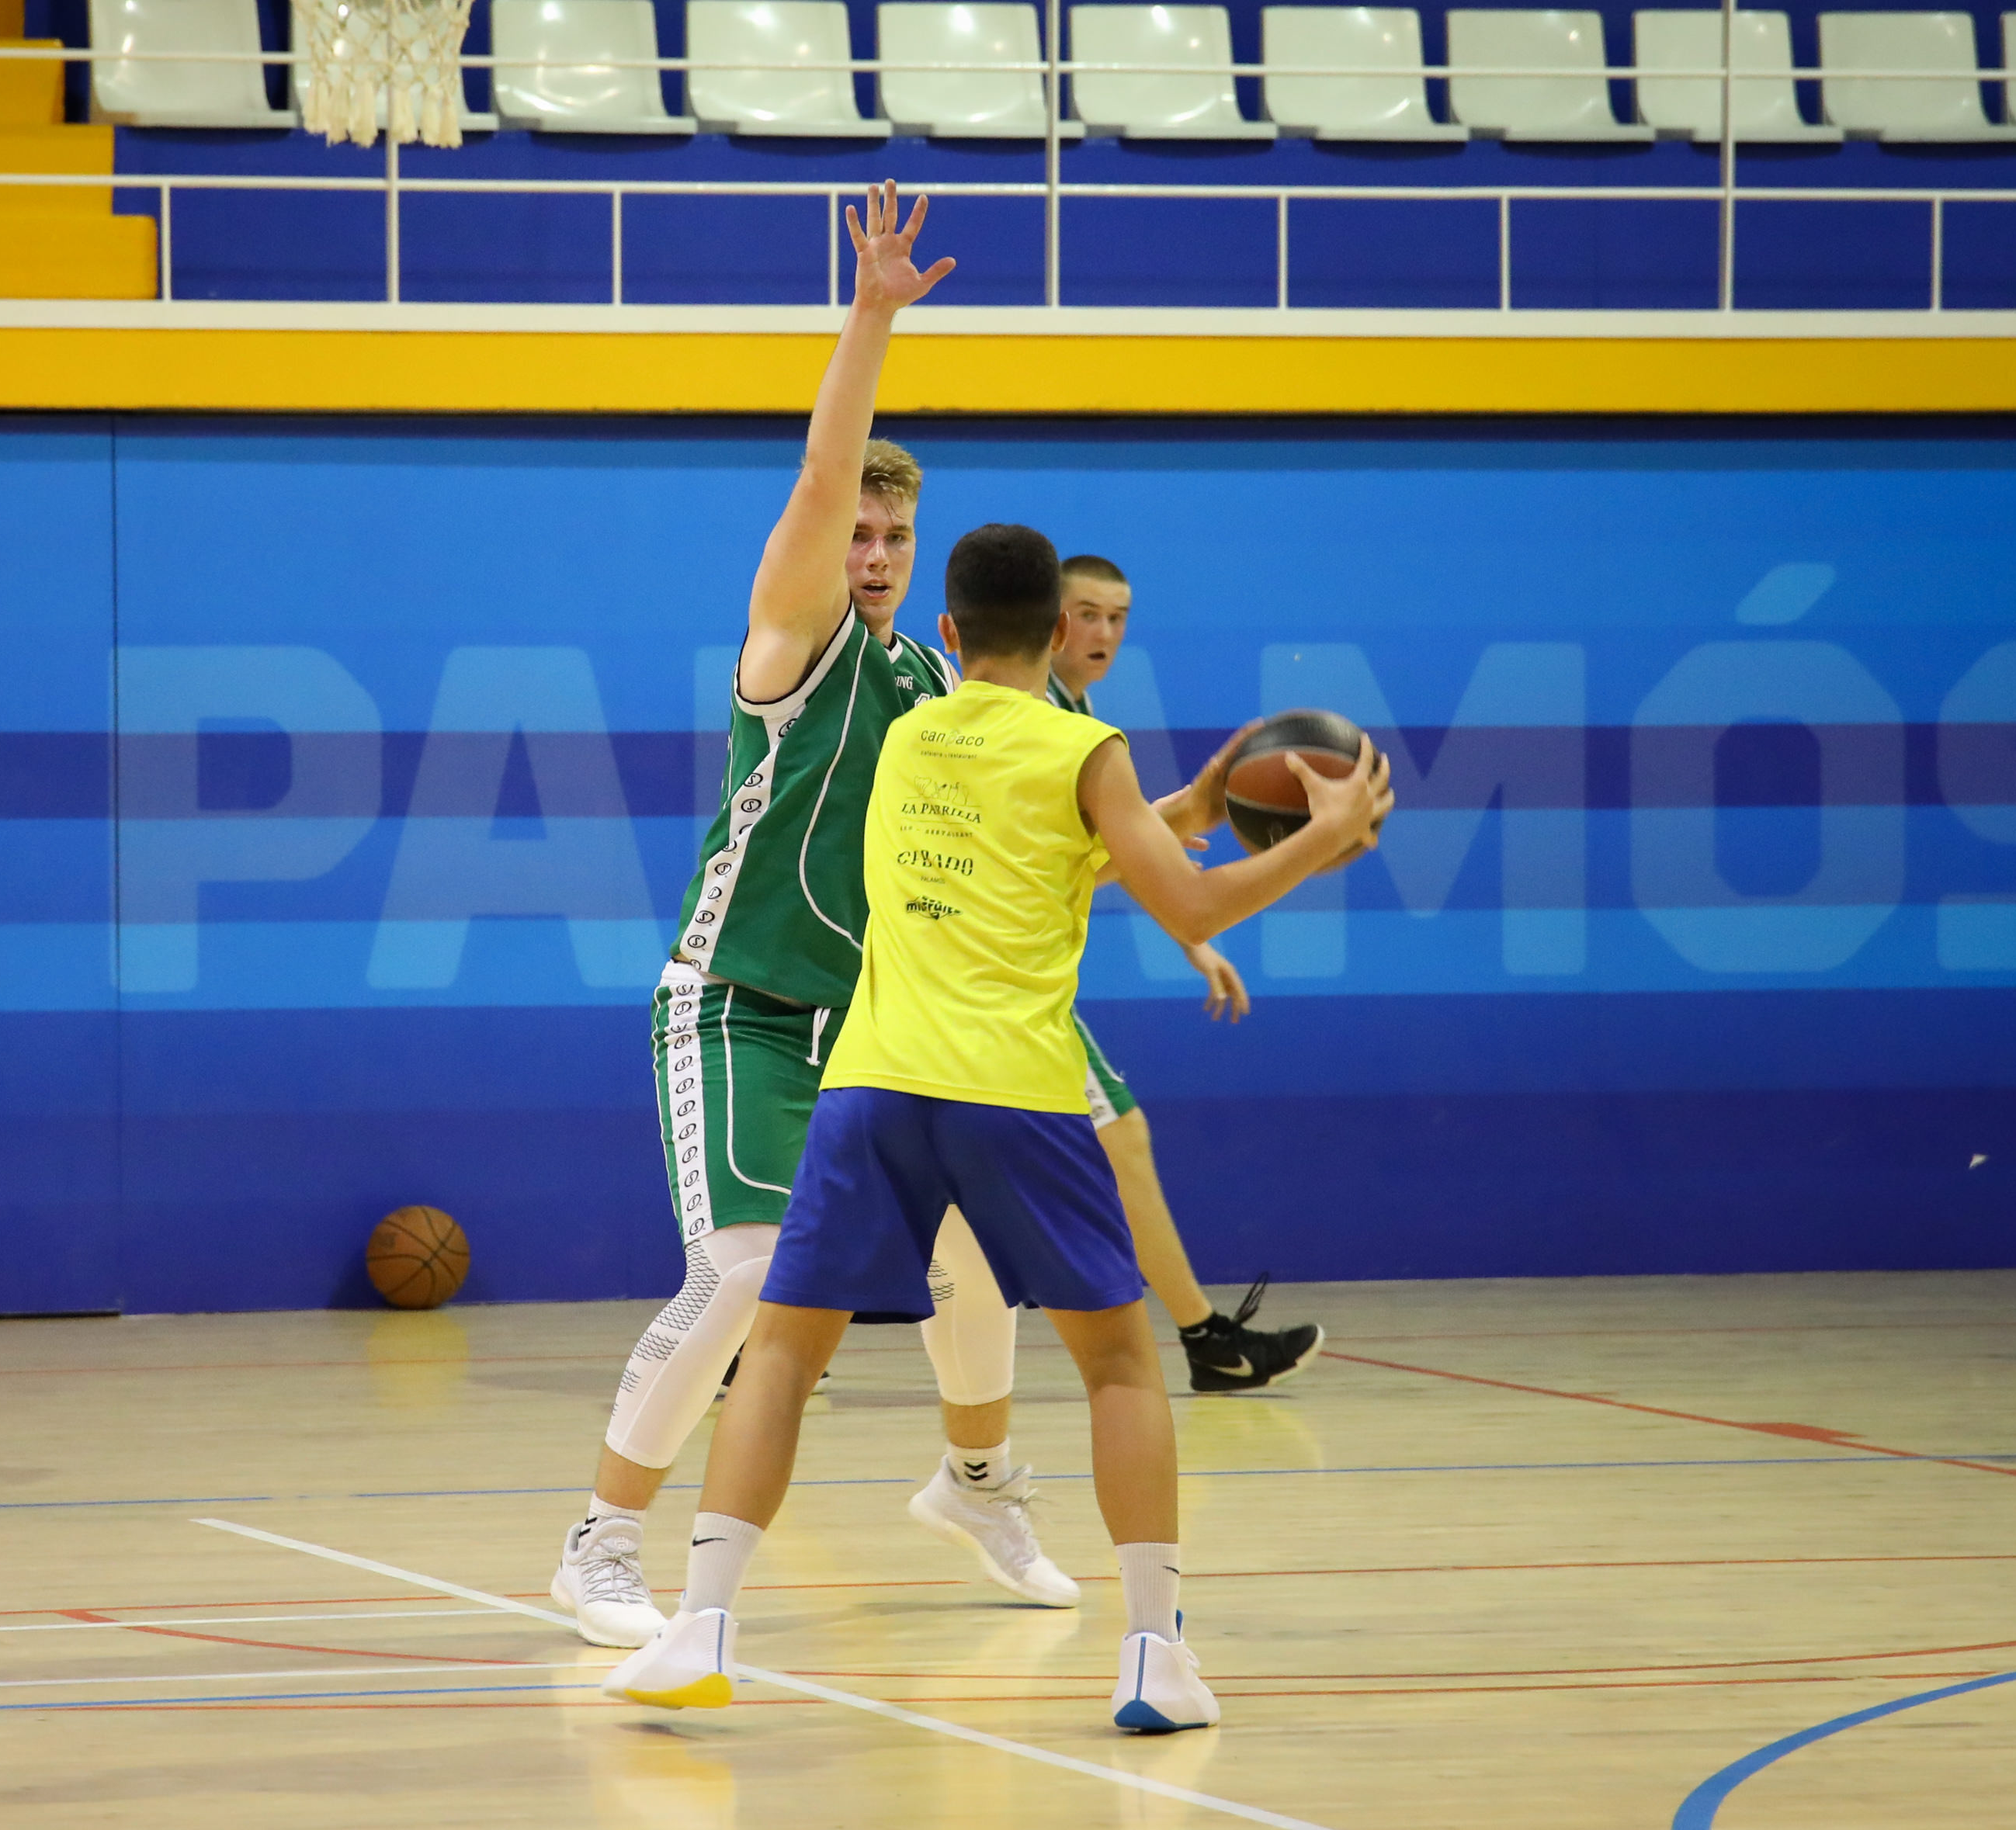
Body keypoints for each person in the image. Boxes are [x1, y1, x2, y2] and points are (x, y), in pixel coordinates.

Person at [603, 522, 1391, 1732]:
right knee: (1120, 1363)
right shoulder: (1085, 750)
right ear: (1059, 629)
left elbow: (1026, 851)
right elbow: (1188, 901)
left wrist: (1168, 811)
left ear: (950, 630)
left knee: (784, 1355)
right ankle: (1153, 1656)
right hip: (1014, 1089)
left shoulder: (903, 735)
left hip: (871, 1085)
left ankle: (700, 1625)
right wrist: (1324, 838)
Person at [556, 185, 1088, 1651]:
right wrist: (871, 320)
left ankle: (976, 1484)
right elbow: (816, 476)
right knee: (742, 1274)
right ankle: (602, 1539)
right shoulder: (793, 642)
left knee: (978, 1251)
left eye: (894, 532)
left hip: (871, 1028)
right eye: (855, 527)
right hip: (736, 1004)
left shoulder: (936, 686)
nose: (873, 549)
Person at [1045, 554, 1325, 1392]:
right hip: (1002, 982)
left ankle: (766, 1327)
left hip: (986, 978)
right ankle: (1205, 1340)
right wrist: (1178, 843)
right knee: (1116, 1139)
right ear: (1049, 619)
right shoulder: (1043, 719)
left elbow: (1088, 858)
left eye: (1117, 617)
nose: (1103, 632)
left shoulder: (1074, 715)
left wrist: (1188, 935)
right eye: (1086, 613)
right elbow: (1065, 867)